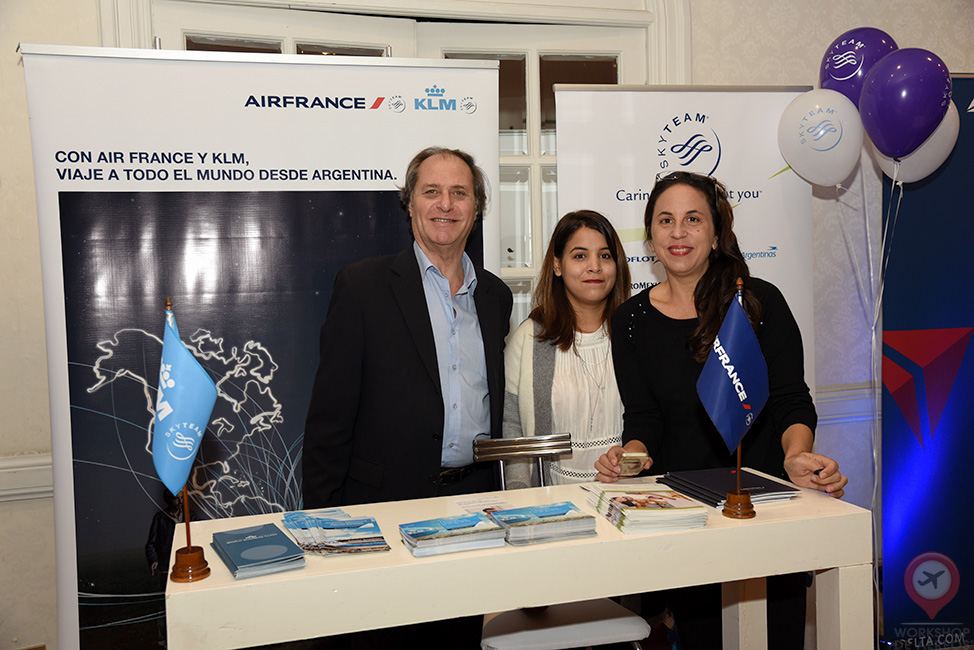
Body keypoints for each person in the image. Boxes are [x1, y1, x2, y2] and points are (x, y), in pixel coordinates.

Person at [595, 171, 848, 650]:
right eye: (665, 220)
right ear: (651, 236)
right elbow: (644, 417)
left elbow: (791, 398)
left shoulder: (758, 302)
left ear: (716, 235)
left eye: (693, 219)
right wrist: (629, 455)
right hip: (686, 519)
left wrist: (796, 455)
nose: (678, 232)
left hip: (765, 508)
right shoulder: (629, 320)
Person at [302, 146, 512, 649]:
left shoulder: (495, 296)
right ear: (410, 204)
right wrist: (325, 526)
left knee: (458, 637)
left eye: (460, 193)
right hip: (381, 510)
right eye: (431, 191)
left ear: (476, 208)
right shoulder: (362, 286)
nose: (446, 204)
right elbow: (330, 419)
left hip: (470, 507)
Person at [503, 210, 631, 487]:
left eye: (605, 256)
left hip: (628, 496)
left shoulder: (636, 334)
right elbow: (512, 425)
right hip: (554, 500)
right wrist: (519, 493)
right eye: (580, 256)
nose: (594, 267)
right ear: (558, 265)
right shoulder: (529, 337)